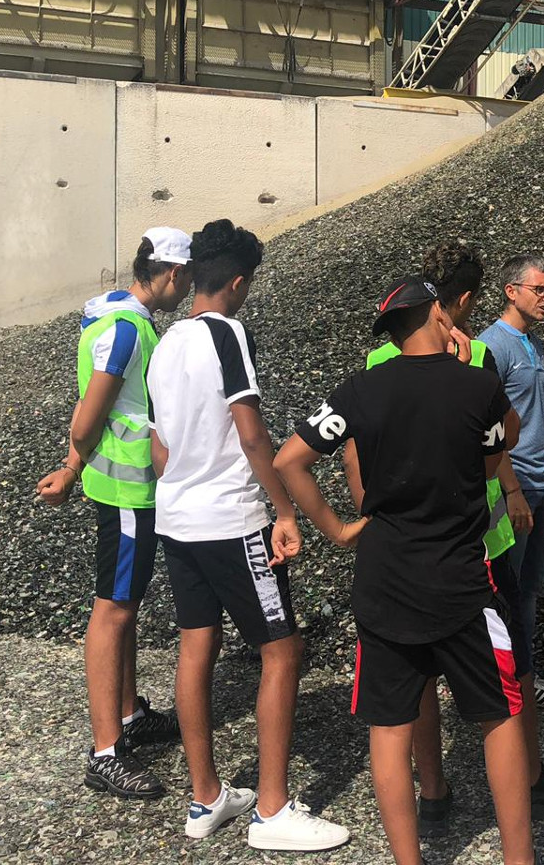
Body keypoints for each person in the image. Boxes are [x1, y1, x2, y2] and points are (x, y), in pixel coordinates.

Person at [274, 276, 534, 865]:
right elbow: (501, 448)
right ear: (439, 314)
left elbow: (290, 459)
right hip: (463, 580)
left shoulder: (361, 389)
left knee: (389, 726)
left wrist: (339, 529)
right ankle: (521, 858)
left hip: (385, 578)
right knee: (500, 713)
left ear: (389, 333)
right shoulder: (476, 386)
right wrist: (471, 370)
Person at [348, 242, 544, 825]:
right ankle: (528, 779)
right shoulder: (477, 354)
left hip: (398, 542)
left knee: (416, 672)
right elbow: (494, 435)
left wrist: (357, 517)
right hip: (473, 539)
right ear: (459, 302)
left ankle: (433, 789)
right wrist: (508, 491)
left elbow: (355, 453)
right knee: (507, 668)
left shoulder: (378, 363)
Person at [146, 219, 350, 851]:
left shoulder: (165, 341)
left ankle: (205, 797)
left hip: (175, 517)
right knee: (281, 650)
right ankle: (271, 809)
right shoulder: (228, 333)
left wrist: (184, 482)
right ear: (236, 283)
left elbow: (158, 446)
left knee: (194, 648)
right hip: (229, 519)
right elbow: (252, 431)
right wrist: (284, 509)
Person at [36, 227, 193, 799]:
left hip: (116, 482)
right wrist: (74, 460)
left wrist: (72, 469)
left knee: (124, 605)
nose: (189, 288)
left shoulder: (111, 318)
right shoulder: (128, 330)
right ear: (172, 275)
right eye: (188, 278)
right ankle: (105, 753)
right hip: (128, 491)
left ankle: (128, 715)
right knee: (114, 611)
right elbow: (88, 413)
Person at [479, 255, 544, 711]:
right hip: (511, 488)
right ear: (511, 290)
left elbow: (538, 414)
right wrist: (511, 488)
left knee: (530, 587)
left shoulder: (534, 345)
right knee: (508, 588)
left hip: (542, 482)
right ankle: (508, 681)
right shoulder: (490, 347)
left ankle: (524, 676)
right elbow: (485, 427)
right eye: (539, 289)